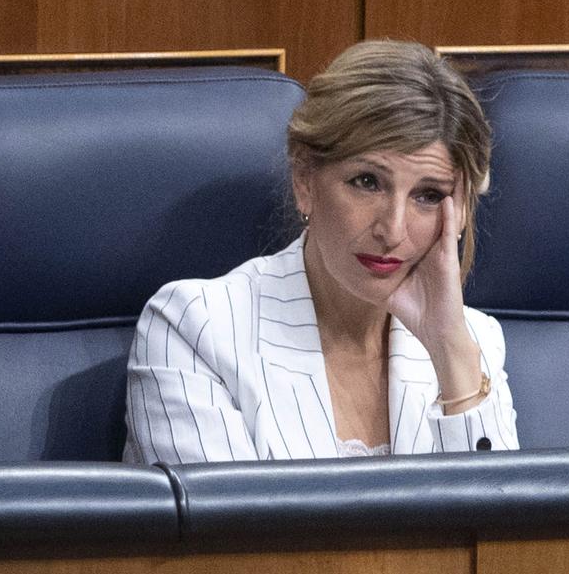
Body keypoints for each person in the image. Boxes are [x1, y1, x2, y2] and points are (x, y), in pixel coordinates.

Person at [124, 39, 518, 464]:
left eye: (428, 195)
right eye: (367, 182)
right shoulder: (196, 328)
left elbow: (498, 523)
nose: (393, 229)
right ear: (305, 181)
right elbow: (226, 529)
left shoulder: (473, 341)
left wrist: (448, 350)